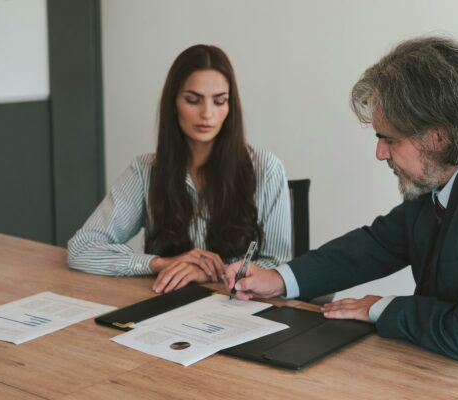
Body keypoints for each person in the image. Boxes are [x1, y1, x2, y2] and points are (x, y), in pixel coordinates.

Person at [225, 36, 458, 367]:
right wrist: (279, 278)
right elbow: (382, 242)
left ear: (438, 136)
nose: (380, 153)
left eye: (389, 139)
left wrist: (380, 308)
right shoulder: (453, 160)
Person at [68, 45, 292, 294]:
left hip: (238, 309)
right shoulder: (145, 171)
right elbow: (82, 248)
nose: (207, 113)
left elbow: (277, 267)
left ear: (230, 108)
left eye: (219, 101)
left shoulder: (266, 169)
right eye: (193, 100)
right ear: (173, 103)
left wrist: (208, 273)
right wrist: (161, 263)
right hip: (166, 304)